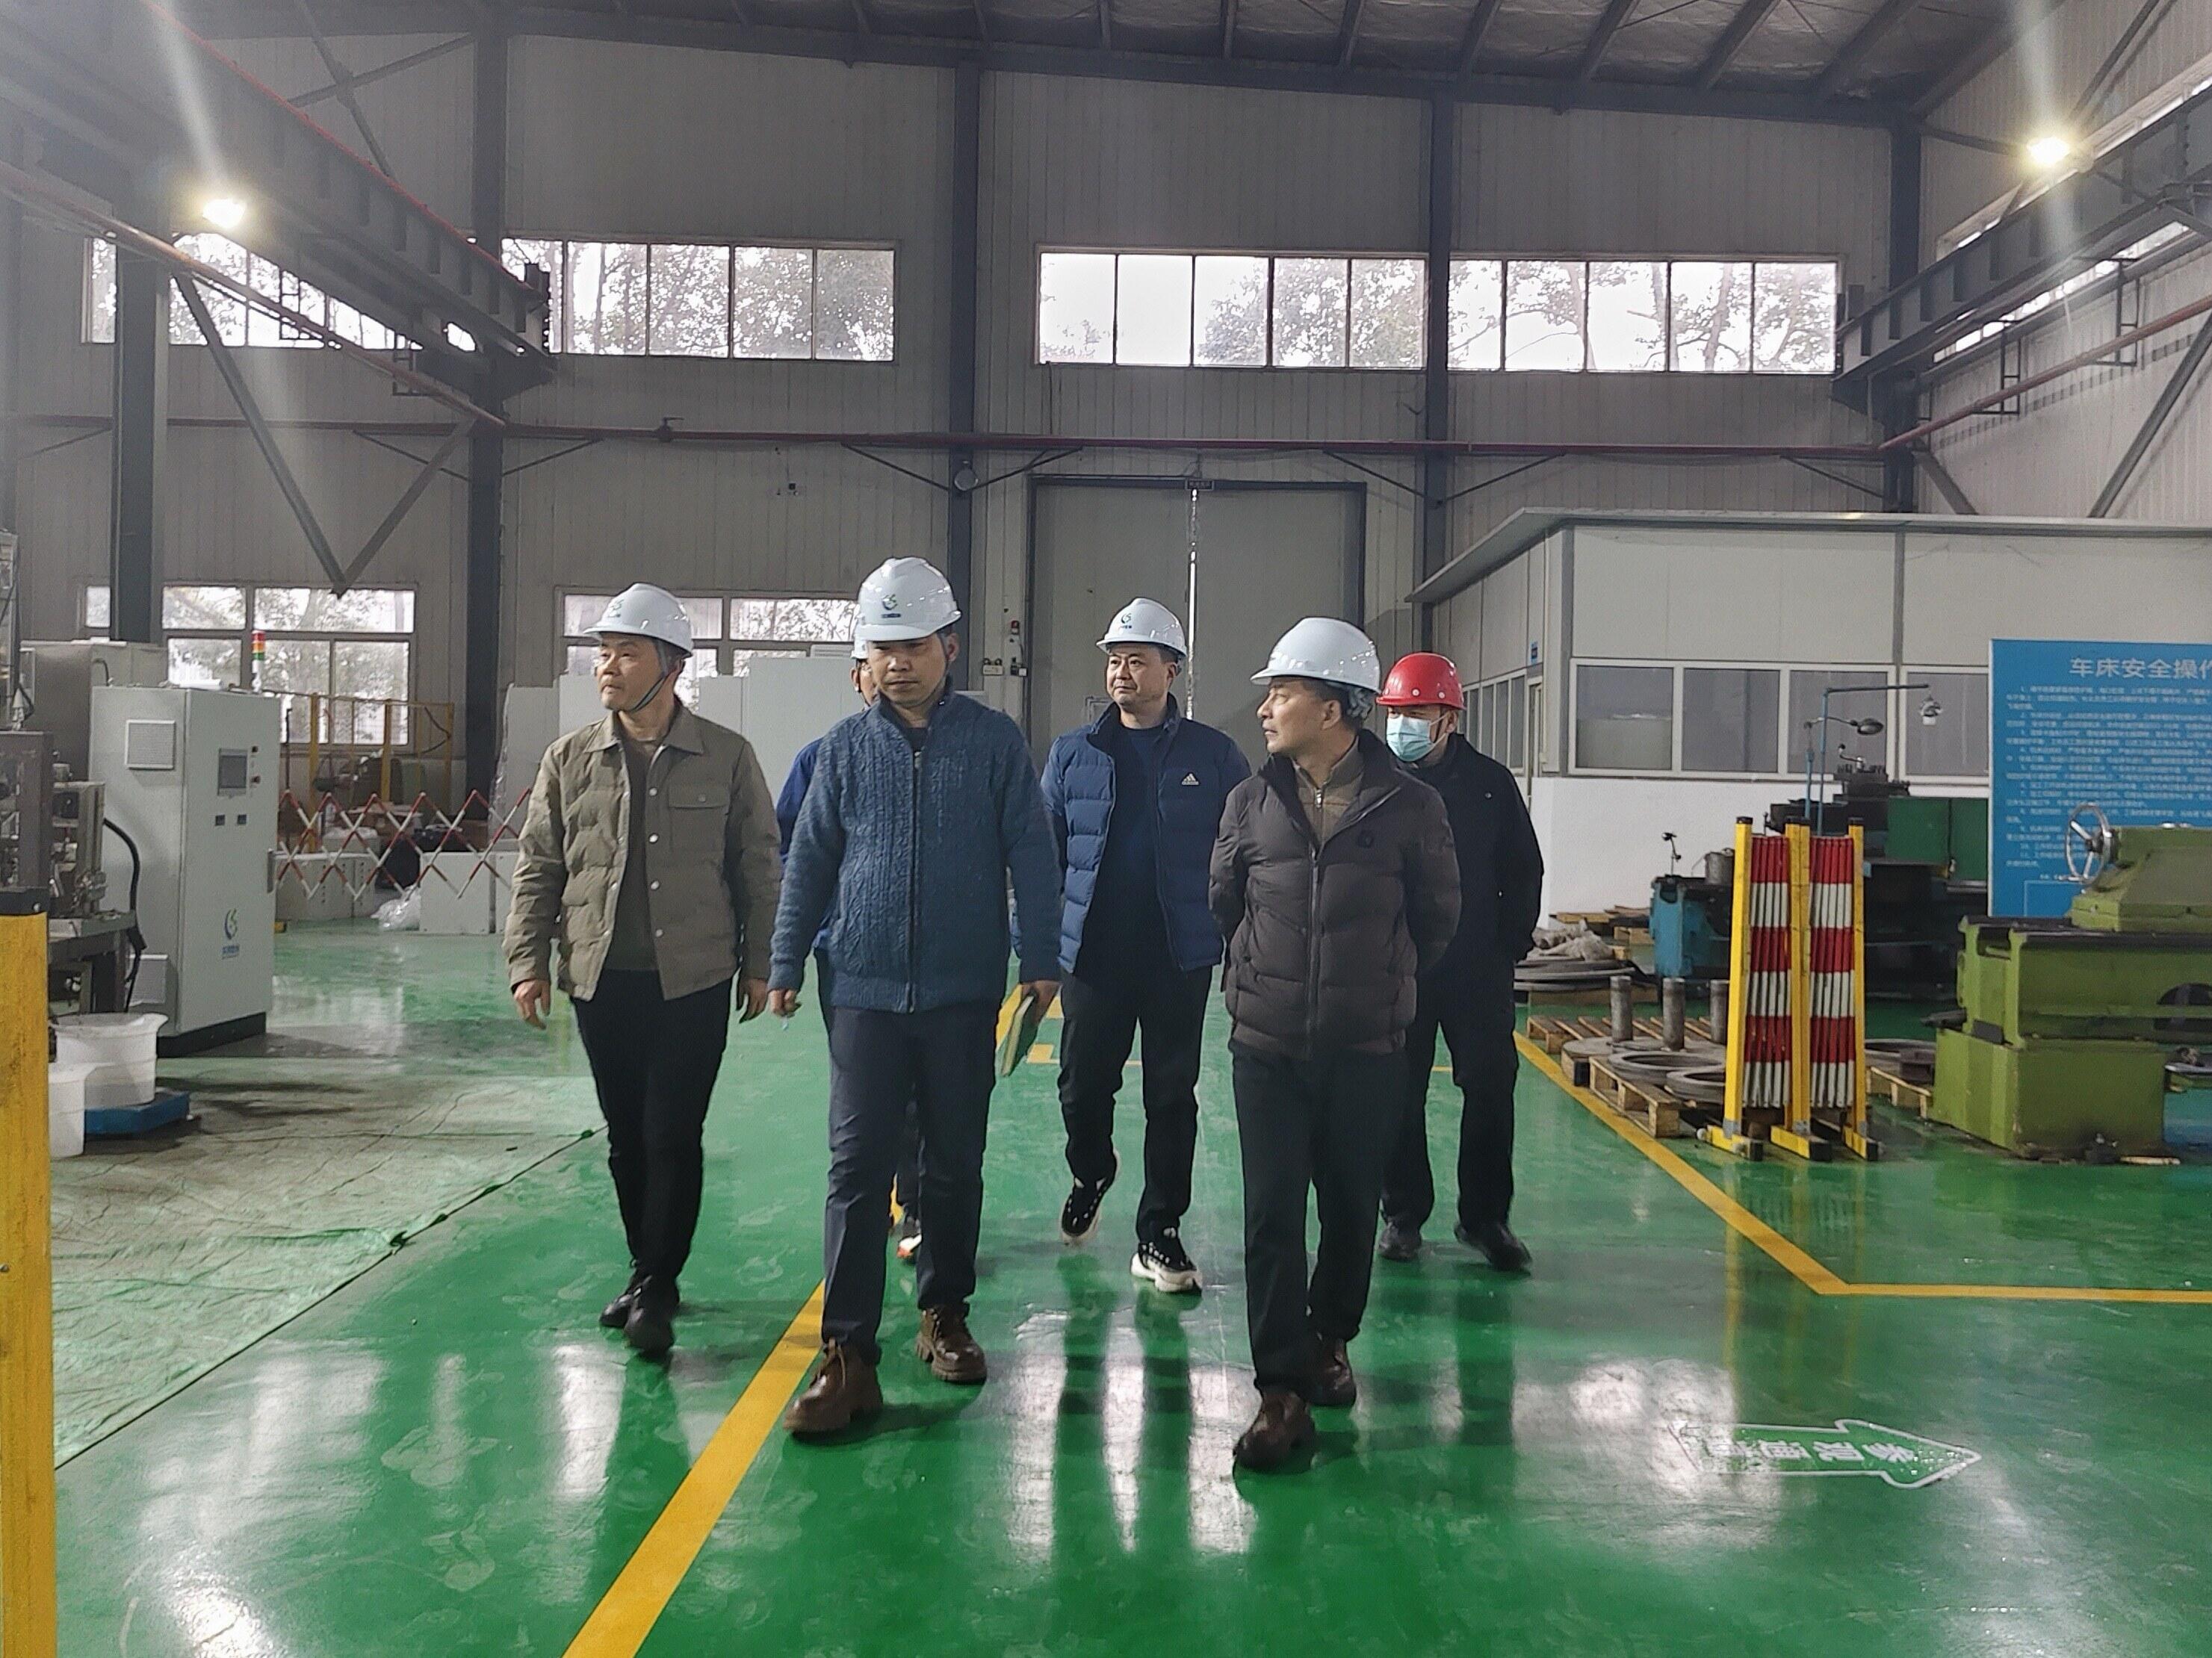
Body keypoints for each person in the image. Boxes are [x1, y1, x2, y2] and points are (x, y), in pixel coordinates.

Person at [771, 557, 1062, 1437]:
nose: (898, 663)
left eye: (915, 646)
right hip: (861, 989)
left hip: (962, 990)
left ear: (951, 648)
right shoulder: (842, 750)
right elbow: (809, 860)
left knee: (954, 1161)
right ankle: (848, 1355)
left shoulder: (994, 743)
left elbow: (1032, 851)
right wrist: (785, 959)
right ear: (865, 656)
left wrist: (1040, 957)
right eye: (883, 648)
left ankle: (945, 1314)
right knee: (856, 1169)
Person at [506, 584, 781, 1359]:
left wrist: (761, 963)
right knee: (626, 1137)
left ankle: (659, 1281)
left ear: (671, 665)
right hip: (602, 980)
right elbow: (539, 867)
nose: (607, 667)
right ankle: (645, 1268)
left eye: (626, 653)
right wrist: (527, 961)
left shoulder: (727, 756)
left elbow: (759, 866)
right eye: (603, 653)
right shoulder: (569, 760)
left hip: (692, 980)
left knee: (672, 1132)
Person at [1209, 618, 1460, 1471]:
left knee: (1351, 1206)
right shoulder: (1250, 802)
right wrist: (1265, 978)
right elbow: (1224, 902)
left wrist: (1375, 983)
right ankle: (1279, 1390)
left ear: (1332, 707)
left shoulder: (1412, 808)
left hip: (1365, 1047)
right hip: (1267, 1044)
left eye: (1281, 693)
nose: (1265, 709)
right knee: (1272, 1214)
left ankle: (1330, 1338)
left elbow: (1436, 918)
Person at [1041, 597, 1248, 1293]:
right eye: (1114, 660)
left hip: (1176, 955)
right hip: (1094, 955)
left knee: (1171, 1095)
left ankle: (1159, 1229)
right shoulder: (1073, 753)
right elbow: (1045, 854)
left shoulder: (1213, 756)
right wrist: (1037, 947)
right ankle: (1091, 1171)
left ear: (1172, 670)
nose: (1121, 672)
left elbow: (1245, 851)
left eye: (1136, 660)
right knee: (1081, 1087)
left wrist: (1239, 940)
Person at [1375, 653, 1545, 1270]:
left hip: (1476, 968)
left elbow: (1522, 868)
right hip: (1397, 970)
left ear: (1449, 719)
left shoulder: (1489, 785)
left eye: (1417, 712)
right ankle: (1402, 1215)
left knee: (1490, 1087)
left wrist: (1508, 945)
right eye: (1396, 713)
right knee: (1397, 1093)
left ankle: (1485, 1218)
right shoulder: (1373, 782)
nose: (1403, 725)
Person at [776, 633, 926, 1267]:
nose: (886, 672)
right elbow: (792, 853)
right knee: (861, 1091)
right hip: (843, 957)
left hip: (917, 954)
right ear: (857, 677)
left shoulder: (937, 753)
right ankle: (872, 1201)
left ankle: (915, 1201)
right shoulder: (821, 759)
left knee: (916, 1091)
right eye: (871, 663)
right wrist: (799, 944)